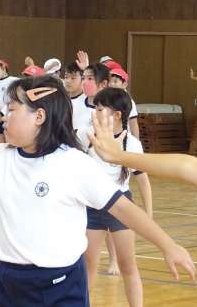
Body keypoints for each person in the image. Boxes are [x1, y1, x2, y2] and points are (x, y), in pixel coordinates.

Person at [0, 75, 195, 306]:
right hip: (10, 281)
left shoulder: (74, 164)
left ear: (39, 116)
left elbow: (125, 209)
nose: (4, 117)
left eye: (13, 109)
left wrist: (168, 245)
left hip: (61, 286)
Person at [77, 88, 152, 307]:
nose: (95, 113)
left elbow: (143, 181)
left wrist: (147, 216)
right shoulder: (86, 135)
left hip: (121, 205)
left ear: (117, 115)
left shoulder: (132, 144)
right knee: (88, 264)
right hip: (93, 206)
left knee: (128, 265)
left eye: (100, 109)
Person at [109, 68, 140, 138]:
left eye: (115, 81)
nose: (111, 84)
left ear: (124, 84)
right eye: (110, 81)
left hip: (124, 138)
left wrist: (137, 141)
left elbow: (133, 124)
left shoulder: (129, 101)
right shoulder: (105, 100)